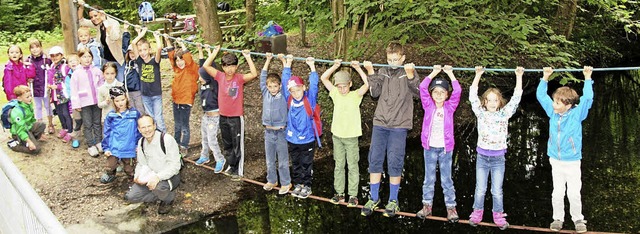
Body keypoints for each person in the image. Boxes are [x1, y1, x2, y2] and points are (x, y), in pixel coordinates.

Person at [360, 42, 420, 217]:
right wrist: (371, 72)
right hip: (380, 122)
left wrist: (410, 77)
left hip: (399, 125)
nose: (392, 62)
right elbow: (374, 93)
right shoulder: (383, 71)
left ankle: (393, 200)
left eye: (396, 59)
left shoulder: (409, 72)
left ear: (403, 58)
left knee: (394, 161)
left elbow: (418, 93)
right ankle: (374, 198)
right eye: (389, 59)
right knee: (375, 159)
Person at [537, 66, 593, 233]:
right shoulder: (552, 112)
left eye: (557, 102)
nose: (553, 104)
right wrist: (545, 77)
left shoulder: (577, 115)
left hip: (572, 160)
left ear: (568, 105)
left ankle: (578, 219)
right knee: (557, 193)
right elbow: (541, 96)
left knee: (574, 193)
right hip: (555, 160)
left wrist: (588, 78)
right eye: (554, 101)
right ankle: (558, 219)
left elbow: (587, 99)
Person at [467, 66, 523, 229]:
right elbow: (472, 95)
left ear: (500, 102)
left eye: (495, 100)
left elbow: (516, 97)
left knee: (496, 190)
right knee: (480, 189)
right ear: (484, 102)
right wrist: (477, 75)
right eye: (489, 100)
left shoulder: (504, 114)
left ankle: (498, 215)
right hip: (482, 158)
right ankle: (477, 213)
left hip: (498, 158)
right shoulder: (480, 113)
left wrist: (518, 76)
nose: (492, 103)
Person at [202, 46, 258, 180]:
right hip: (223, 116)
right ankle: (231, 166)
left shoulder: (239, 79)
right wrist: (214, 52)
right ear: (222, 67)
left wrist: (248, 57)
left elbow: (254, 74)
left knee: (237, 143)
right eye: (227, 66)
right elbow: (206, 65)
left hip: (236, 117)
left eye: (232, 66)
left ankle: (238, 171)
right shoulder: (220, 76)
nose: (229, 69)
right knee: (227, 143)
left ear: (237, 66)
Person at [415, 65, 462, 222]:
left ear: (447, 95)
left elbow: (458, 91)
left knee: (446, 179)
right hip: (429, 149)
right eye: (436, 92)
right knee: (429, 179)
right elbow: (422, 86)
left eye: (442, 92)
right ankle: (427, 205)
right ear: (432, 94)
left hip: (445, 150)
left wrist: (450, 73)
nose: (439, 95)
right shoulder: (428, 105)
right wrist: (434, 72)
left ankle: (451, 207)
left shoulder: (450, 107)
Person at [320, 59, 369, 207]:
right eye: (339, 87)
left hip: (351, 137)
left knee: (352, 165)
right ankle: (339, 193)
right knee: (339, 165)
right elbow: (324, 78)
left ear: (350, 84)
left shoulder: (355, 95)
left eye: (344, 86)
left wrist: (358, 68)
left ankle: (353, 195)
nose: (342, 90)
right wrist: (335, 66)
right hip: (337, 136)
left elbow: (368, 84)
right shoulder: (334, 93)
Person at [124, 115, 181, 215]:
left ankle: (168, 198)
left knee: (159, 187)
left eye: (149, 126)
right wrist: (137, 176)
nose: (147, 130)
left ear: (154, 126)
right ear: (139, 129)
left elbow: (175, 166)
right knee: (130, 197)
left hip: (169, 176)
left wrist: (158, 177)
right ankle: (158, 194)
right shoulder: (141, 142)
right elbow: (141, 164)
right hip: (150, 176)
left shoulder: (166, 140)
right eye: (143, 127)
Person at [280, 55, 318, 199]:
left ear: (303, 88)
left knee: (306, 164)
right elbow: (284, 82)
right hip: (292, 139)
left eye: (298, 89)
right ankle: (298, 184)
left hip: (307, 139)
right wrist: (287, 64)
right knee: (295, 163)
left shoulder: (310, 99)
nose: (296, 93)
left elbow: (314, 85)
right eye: (293, 91)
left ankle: (307, 185)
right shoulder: (289, 99)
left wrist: (312, 67)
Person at [258, 53, 291, 194]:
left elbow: (286, 78)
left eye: (275, 86)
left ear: (280, 86)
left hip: (281, 132)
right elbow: (262, 77)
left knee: (283, 161)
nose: (272, 89)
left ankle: (286, 183)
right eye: (270, 86)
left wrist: (285, 62)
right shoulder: (265, 92)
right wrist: (268, 60)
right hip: (268, 132)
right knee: (270, 160)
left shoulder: (283, 93)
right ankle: (272, 180)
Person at [165, 36, 199, 156]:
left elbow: (188, 58)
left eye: (181, 60)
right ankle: (175, 143)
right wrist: (168, 41)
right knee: (177, 125)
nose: (179, 63)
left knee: (184, 126)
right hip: (176, 101)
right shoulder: (177, 69)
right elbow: (171, 57)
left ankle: (184, 146)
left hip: (186, 101)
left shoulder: (191, 69)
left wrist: (182, 45)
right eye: (177, 60)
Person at [194, 44, 225, 174]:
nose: (198, 77)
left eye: (200, 76)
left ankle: (220, 159)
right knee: (205, 138)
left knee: (212, 139)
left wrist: (214, 51)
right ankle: (205, 156)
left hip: (215, 116)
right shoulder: (203, 83)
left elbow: (208, 67)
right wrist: (201, 50)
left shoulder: (213, 83)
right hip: (206, 116)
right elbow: (203, 65)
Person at [100, 86, 141, 184]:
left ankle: (132, 178)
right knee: (110, 165)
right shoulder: (111, 115)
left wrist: (137, 144)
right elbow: (107, 132)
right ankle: (111, 173)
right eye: (117, 101)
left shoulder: (134, 113)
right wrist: (106, 148)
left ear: (126, 98)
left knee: (129, 168)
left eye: (122, 100)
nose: (120, 103)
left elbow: (138, 131)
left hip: (129, 147)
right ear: (113, 101)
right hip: (115, 146)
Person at [77, 0, 125, 82]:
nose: (93, 19)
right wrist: (81, 7)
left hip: (118, 60)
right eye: (91, 17)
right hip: (106, 61)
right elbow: (81, 21)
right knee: (108, 85)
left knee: (120, 84)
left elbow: (114, 37)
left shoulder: (113, 23)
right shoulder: (99, 25)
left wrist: (105, 21)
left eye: (95, 15)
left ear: (101, 14)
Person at [70, 48, 104, 157]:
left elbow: (101, 84)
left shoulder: (97, 71)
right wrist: (76, 104)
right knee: (88, 124)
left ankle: (99, 141)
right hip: (84, 102)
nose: (87, 59)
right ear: (79, 58)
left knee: (97, 122)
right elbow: (74, 90)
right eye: (84, 57)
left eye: (89, 56)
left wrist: (102, 98)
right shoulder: (76, 73)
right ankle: (91, 144)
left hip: (96, 101)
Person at [131, 28, 166, 132]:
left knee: (158, 119)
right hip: (145, 95)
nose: (142, 52)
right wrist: (141, 33)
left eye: (145, 49)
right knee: (150, 119)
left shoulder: (154, 61)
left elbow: (159, 48)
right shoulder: (139, 62)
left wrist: (156, 36)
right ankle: (153, 137)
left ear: (150, 50)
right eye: (140, 50)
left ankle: (163, 137)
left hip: (156, 95)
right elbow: (133, 43)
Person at [46, 46, 74, 143]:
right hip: (54, 94)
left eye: (57, 55)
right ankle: (64, 128)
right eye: (52, 56)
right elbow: (50, 78)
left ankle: (70, 130)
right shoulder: (52, 66)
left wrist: (57, 86)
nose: (55, 57)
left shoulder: (64, 67)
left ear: (61, 55)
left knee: (66, 113)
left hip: (63, 94)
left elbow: (67, 80)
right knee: (59, 112)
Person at [27, 39, 55, 135]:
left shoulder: (46, 60)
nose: (35, 49)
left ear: (41, 47)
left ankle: (50, 124)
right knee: (38, 107)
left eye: (37, 46)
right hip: (34, 89)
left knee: (48, 106)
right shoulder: (28, 60)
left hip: (45, 88)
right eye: (32, 47)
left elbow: (52, 72)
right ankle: (40, 128)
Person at [7, 85, 46, 154]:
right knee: (36, 150)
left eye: (30, 96)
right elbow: (20, 130)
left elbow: (32, 119)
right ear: (19, 99)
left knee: (41, 124)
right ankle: (14, 144)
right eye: (27, 97)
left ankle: (32, 138)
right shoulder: (17, 112)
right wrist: (29, 141)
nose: (30, 98)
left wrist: (40, 133)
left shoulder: (28, 105)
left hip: (28, 128)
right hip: (19, 133)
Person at [123, 43, 145, 115]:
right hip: (129, 91)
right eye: (130, 53)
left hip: (138, 90)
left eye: (134, 52)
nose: (132, 54)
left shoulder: (139, 63)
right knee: (131, 109)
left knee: (140, 108)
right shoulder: (127, 64)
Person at [65, 54, 81, 148]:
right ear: (68, 65)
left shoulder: (83, 72)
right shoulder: (69, 76)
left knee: (88, 120)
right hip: (75, 102)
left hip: (86, 100)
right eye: (70, 61)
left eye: (75, 60)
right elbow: (68, 89)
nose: (73, 62)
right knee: (77, 120)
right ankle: (75, 137)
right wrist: (73, 98)